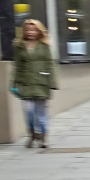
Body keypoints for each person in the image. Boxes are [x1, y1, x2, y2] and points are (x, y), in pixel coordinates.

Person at [11, 19, 57, 148]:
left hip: (41, 83)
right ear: (24, 32)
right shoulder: (20, 46)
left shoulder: (44, 45)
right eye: (28, 30)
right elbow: (17, 67)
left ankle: (43, 137)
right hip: (26, 83)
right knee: (29, 111)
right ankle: (32, 134)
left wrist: (52, 82)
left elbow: (50, 65)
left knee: (40, 112)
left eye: (34, 30)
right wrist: (14, 83)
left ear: (39, 31)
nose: (30, 32)